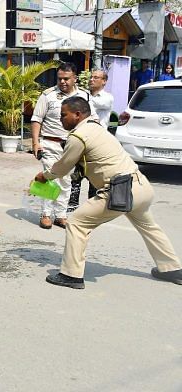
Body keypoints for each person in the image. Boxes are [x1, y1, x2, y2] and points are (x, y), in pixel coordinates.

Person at [34, 96, 182, 289]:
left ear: (77, 115)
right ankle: (171, 268)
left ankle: (71, 275)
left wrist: (44, 176)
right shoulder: (96, 127)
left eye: (64, 115)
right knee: (149, 226)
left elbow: (62, 167)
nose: (61, 119)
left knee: (77, 223)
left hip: (119, 191)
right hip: (140, 186)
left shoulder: (78, 136)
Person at [31, 62, 93, 229]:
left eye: (66, 79)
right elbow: (37, 119)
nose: (63, 82)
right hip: (50, 143)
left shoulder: (84, 96)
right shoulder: (48, 95)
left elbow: (91, 119)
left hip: (72, 146)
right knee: (50, 179)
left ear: (75, 78)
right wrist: (36, 142)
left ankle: (61, 215)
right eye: (60, 79)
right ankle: (45, 214)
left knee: (66, 181)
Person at [66, 68, 115, 213]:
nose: (92, 80)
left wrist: (79, 95)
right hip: (82, 140)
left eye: (96, 78)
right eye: (91, 77)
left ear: (104, 81)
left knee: (95, 178)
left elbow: (87, 106)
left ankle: (92, 209)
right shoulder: (83, 95)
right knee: (76, 176)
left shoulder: (106, 97)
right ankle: (72, 206)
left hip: (97, 144)